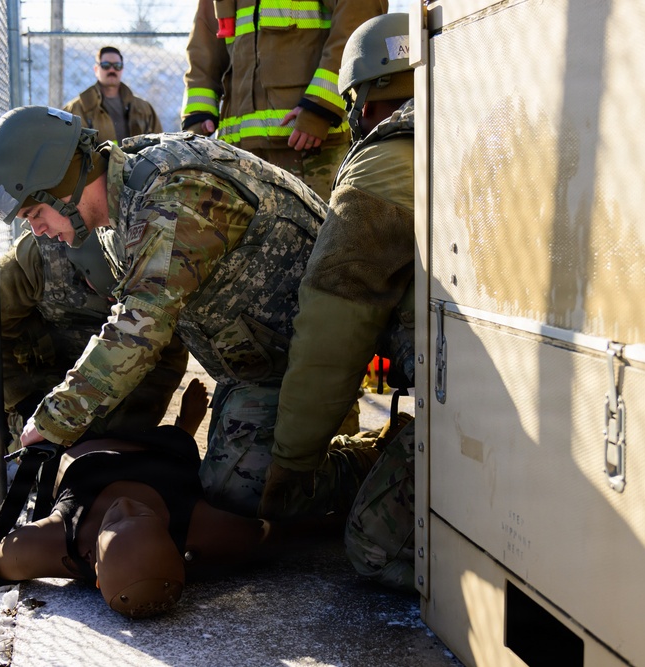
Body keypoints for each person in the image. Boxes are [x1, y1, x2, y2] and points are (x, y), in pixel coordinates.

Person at [0, 105, 378, 517]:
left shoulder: (170, 197)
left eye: (35, 214)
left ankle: (376, 457)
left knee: (246, 498)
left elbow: (141, 329)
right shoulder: (123, 198)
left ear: (59, 183)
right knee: (216, 491)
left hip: (308, 362)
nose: (37, 230)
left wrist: (55, 419)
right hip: (255, 364)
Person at [0, 380, 339, 619]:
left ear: (93, 574)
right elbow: (283, 535)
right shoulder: (208, 532)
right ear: (183, 548)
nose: (127, 503)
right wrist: (340, 523)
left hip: (87, 430)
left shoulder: (41, 547)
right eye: (145, 517)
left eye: (115, 521)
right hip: (165, 441)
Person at [256, 13, 417, 592]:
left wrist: (290, 468)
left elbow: (332, 329)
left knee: (375, 543)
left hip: (483, 407)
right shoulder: (479, 121)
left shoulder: (383, 163)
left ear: (365, 98)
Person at [0, 225, 189, 451]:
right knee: (40, 456)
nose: (111, 302)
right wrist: (23, 399)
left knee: (112, 459)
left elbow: (167, 357)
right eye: (105, 292)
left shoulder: (160, 270)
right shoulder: (37, 258)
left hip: (120, 381)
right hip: (40, 378)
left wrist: (125, 430)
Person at [180, 0, 387, 202]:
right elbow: (204, 42)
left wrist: (321, 106)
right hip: (235, 156)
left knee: (317, 233)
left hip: (310, 150)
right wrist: (197, 118)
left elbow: (359, 21)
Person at [62, 46, 162, 143]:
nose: (112, 70)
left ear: (122, 69)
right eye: (106, 65)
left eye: (117, 66)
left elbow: (160, 146)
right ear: (96, 69)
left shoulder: (144, 109)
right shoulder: (76, 109)